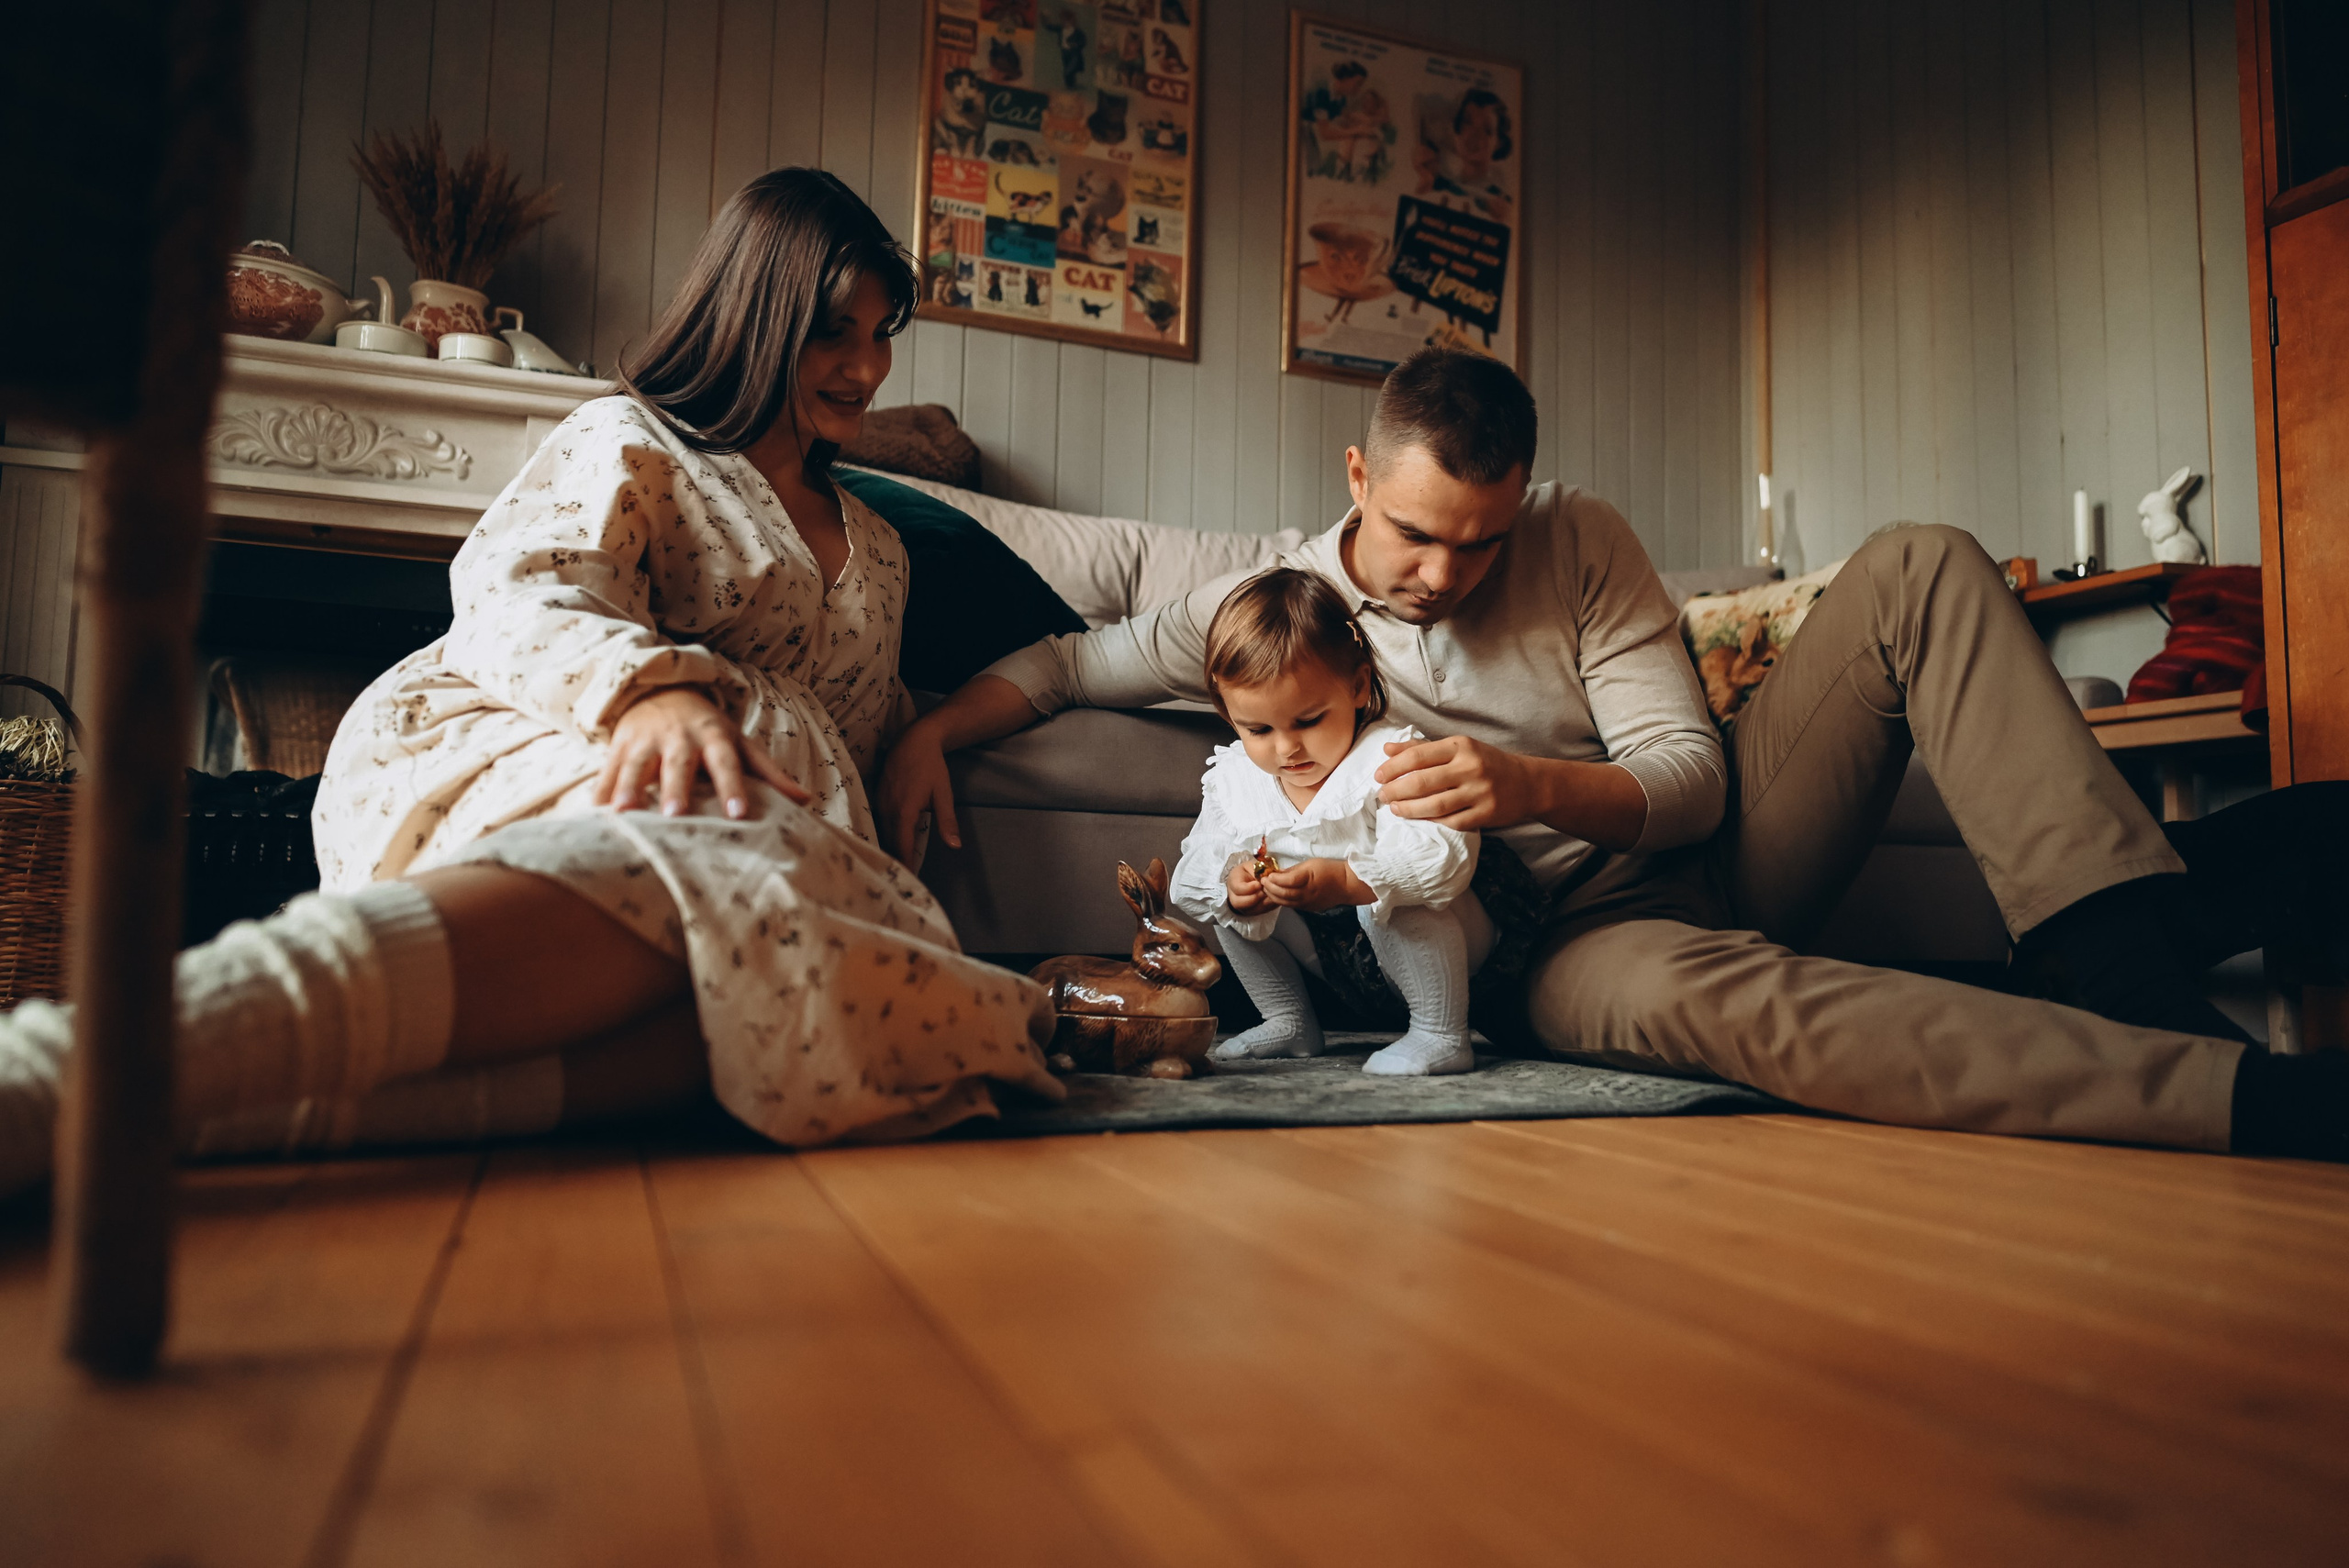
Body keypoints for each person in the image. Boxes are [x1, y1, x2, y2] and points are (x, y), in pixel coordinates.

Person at [882, 346, 2349, 1161]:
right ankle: (2240, 1096)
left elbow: (1692, 777)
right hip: (1559, 952)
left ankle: (2115, 951)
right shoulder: (1273, 603)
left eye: (1481, 542)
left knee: (1917, 562)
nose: (1445, 576)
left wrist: (1525, 784)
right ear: (1354, 478)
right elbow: (1071, 657)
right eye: (1413, 536)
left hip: (1695, 849)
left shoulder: (1580, 537)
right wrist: (940, 724)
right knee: (1761, 1021)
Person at [0, 168, 1061, 1197]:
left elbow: (865, 704)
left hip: (789, 827)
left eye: (883, 334)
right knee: (712, 865)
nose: (866, 368)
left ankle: (169, 1110)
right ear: (756, 316)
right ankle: (80, 1071)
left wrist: (924, 735)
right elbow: (519, 588)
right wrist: (655, 693)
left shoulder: (882, 544)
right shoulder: (631, 438)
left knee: (847, 1021)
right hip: (564, 729)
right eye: (836, 330)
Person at [1168, 569, 1490, 1077]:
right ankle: (1290, 1020)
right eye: (1258, 729)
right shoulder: (1237, 780)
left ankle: (1441, 1032)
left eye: (1309, 720)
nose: (1286, 748)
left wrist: (1346, 881)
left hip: (1454, 952)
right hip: (1340, 961)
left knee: (1392, 894)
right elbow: (1189, 877)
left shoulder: (1392, 757)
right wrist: (1234, 889)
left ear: (1359, 686)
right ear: (1229, 716)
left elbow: (1442, 864)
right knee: (1230, 903)